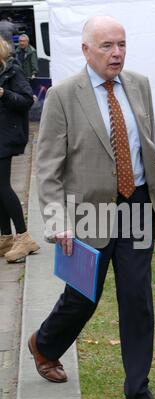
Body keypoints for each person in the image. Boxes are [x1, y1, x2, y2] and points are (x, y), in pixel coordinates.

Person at [28, 16, 155, 399]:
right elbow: (48, 167)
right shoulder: (63, 96)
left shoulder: (138, 84)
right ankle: (45, 344)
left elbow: (144, 144)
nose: (117, 53)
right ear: (86, 50)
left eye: (121, 44)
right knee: (82, 297)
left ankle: (137, 392)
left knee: (137, 297)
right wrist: (58, 220)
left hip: (137, 205)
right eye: (106, 45)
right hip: (87, 210)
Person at [0, 36, 40, 262]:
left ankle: (24, 237)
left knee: (3, 186)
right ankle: (6, 236)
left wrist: (4, 94)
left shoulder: (12, 71)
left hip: (6, 135)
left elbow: (27, 100)